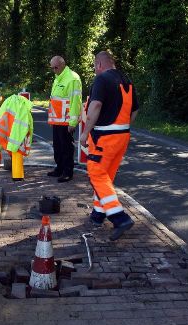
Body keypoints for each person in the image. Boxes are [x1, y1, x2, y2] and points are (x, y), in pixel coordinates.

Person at [80, 51, 139, 241]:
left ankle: (119, 217)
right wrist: (123, 127)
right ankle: (98, 214)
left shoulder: (102, 79)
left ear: (98, 65)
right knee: (106, 176)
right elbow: (135, 110)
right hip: (122, 136)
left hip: (105, 137)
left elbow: (95, 106)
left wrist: (85, 132)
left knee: (95, 172)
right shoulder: (126, 81)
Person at [47, 56, 82, 182]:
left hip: (66, 120)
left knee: (66, 147)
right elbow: (55, 100)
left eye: (56, 67)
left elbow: (75, 102)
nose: (54, 70)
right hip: (57, 120)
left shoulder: (72, 79)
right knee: (57, 146)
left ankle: (67, 172)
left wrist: (72, 122)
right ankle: (59, 168)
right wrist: (52, 119)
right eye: (52, 68)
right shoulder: (58, 77)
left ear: (63, 65)